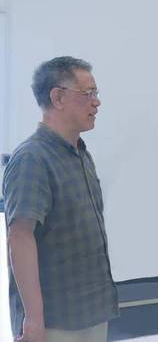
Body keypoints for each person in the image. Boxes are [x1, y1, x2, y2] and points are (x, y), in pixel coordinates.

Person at [3, 56, 117, 342]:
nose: (97, 102)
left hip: (92, 311)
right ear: (58, 97)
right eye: (88, 93)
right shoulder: (32, 158)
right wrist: (34, 320)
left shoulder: (80, 153)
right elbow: (20, 237)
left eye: (96, 92)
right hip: (55, 322)